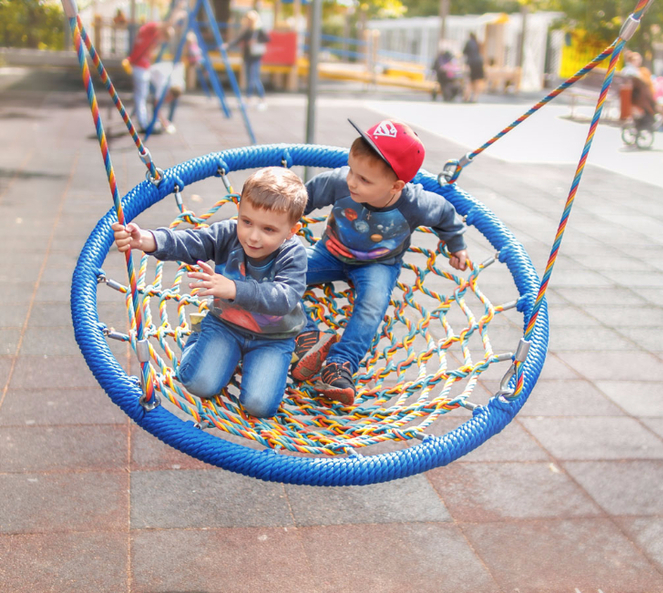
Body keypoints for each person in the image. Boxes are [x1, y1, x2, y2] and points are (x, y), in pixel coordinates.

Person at [290, 119, 469, 405]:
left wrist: (456, 245)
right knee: (279, 270)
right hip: (330, 252)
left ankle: (340, 364)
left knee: (372, 305)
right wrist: (283, 223)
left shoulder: (417, 204)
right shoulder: (338, 182)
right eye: (351, 170)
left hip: (378, 265)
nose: (352, 181)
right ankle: (308, 336)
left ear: (396, 186)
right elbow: (302, 200)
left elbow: (446, 213)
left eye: (364, 180)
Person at [111, 167, 309, 418]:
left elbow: (284, 298)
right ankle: (200, 337)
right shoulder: (228, 234)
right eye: (247, 222)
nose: (253, 237)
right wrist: (147, 240)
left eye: (268, 229)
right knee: (199, 383)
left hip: (274, 337)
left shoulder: (293, 254)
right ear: (239, 210)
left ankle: (248, 360)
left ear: (291, 231)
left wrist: (234, 288)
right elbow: (191, 242)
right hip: (226, 325)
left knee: (259, 406)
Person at [126, 21, 175, 133]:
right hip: (139, 67)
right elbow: (166, 25)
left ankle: (146, 120)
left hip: (142, 66)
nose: (161, 41)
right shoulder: (150, 31)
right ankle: (144, 123)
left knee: (143, 95)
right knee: (141, 96)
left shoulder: (150, 35)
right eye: (163, 38)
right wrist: (178, 13)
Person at [224, 10, 271, 110]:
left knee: (254, 79)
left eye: (251, 20)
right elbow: (238, 40)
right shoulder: (247, 30)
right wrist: (228, 45)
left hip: (256, 57)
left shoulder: (259, 29)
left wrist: (256, 40)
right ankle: (251, 99)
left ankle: (259, 99)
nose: (249, 21)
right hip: (247, 56)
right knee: (249, 78)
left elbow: (267, 39)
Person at [462, 33, 485, 103]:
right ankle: (475, 97)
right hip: (479, 63)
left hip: (471, 63)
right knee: (477, 81)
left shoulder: (468, 42)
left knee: (469, 80)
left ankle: (466, 96)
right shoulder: (478, 43)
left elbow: (464, 52)